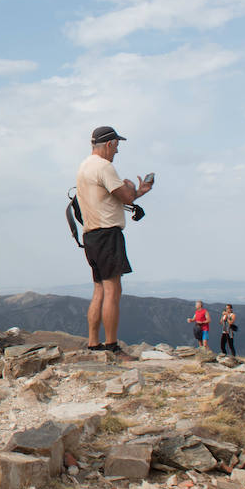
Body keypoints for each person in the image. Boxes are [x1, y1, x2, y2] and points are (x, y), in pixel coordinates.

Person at [76, 126, 153, 358]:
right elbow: (126, 196)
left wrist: (135, 192)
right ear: (109, 144)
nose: (117, 151)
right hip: (108, 234)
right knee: (113, 290)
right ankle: (112, 346)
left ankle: (93, 344)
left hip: (90, 235)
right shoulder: (104, 167)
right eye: (116, 146)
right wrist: (137, 189)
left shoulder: (84, 166)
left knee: (99, 288)